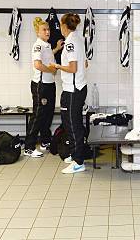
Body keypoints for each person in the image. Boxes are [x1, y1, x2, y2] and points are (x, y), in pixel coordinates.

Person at [50, 13, 89, 174]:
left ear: (64, 25)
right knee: (75, 124)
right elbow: (85, 63)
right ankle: (76, 155)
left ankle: (78, 161)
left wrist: (57, 66)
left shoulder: (71, 43)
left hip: (73, 91)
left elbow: (73, 68)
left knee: (72, 126)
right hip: (78, 88)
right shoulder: (78, 39)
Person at [24, 17, 63, 158]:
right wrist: (51, 70)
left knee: (48, 114)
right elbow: (38, 65)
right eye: (44, 30)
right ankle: (28, 146)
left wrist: (57, 49)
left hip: (50, 84)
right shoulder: (38, 45)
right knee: (38, 115)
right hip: (40, 85)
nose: (47, 32)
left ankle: (45, 141)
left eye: (48, 29)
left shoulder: (46, 45)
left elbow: (47, 57)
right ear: (37, 31)